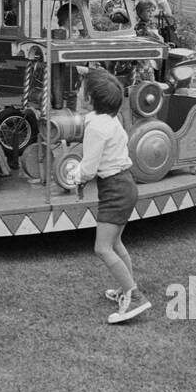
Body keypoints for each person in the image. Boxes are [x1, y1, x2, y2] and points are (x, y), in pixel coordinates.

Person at [66, 68, 150, 324]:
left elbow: (89, 168)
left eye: (82, 87)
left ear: (90, 98)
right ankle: (126, 289)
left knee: (102, 247)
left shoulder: (96, 128)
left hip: (115, 189)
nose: (79, 90)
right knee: (115, 243)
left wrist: (75, 174)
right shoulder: (108, 119)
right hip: (124, 185)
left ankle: (135, 296)